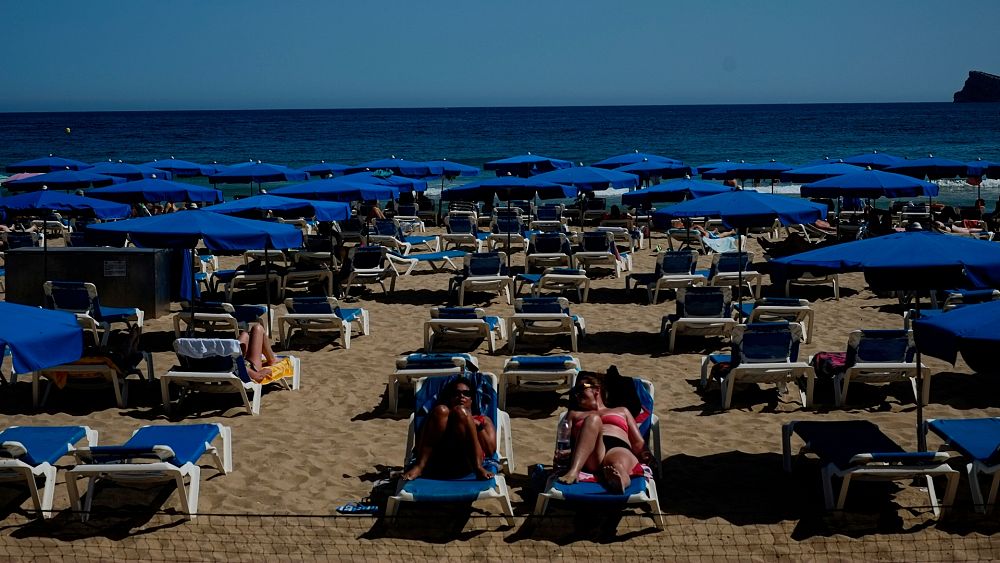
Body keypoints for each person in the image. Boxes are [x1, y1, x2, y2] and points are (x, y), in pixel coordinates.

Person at [557, 373, 651, 493]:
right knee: (593, 419)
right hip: (590, 453)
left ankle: (621, 480)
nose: (576, 395)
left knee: (617, 463)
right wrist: (564, 453)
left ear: (596, 389)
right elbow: (565, 440)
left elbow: (638, 443)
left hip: (618, 447)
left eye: (581, 389)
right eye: (575, 392)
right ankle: (574, 471)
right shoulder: (574, 414)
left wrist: (646, 454)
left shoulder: (622, 411)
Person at [402, 377, 496, 481]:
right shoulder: (439, 417)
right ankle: (420, 466)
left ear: (472, 399)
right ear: (450, 397)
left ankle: (478, 467)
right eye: (456, 393)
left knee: (460, 412)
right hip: (439, 459)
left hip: (468, 461)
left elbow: (490, 450)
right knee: (441, 410)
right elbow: (420, 446)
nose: (461, 396)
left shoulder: (483, 420)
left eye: (466, 393)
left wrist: (477, 426)